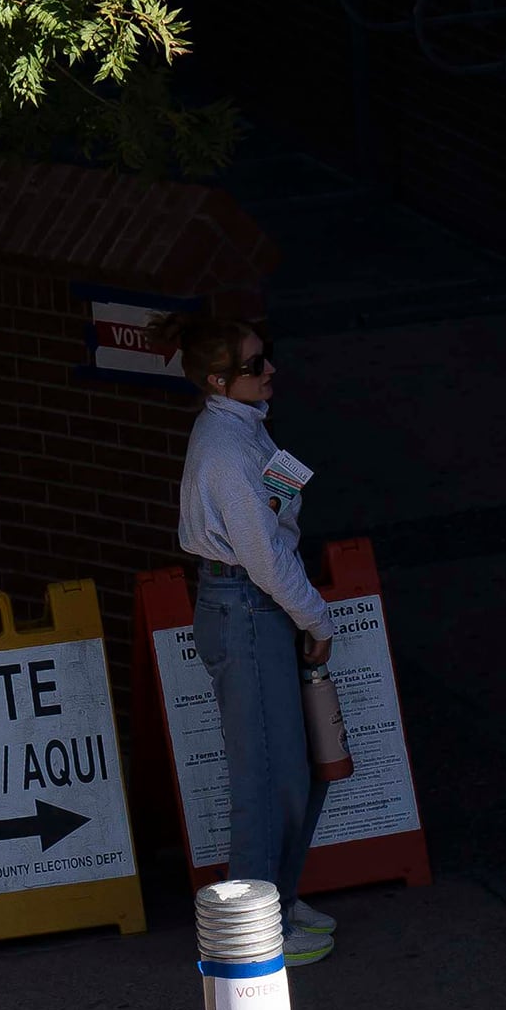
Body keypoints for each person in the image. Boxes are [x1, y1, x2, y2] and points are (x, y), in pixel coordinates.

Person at [166, 317, 339, 965]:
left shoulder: (240, 429)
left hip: (246, 604)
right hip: (245, 605)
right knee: (267, 777)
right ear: (218, 380)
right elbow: (264, 555)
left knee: (286, 772)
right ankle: (255, 935)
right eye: (255, 363)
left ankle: (279, 904)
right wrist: (316, 620)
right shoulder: (227, 449)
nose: (270, 370)